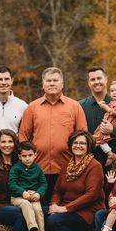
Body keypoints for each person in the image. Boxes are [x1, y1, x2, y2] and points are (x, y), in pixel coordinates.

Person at [19, 67, 87, 204]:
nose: (52, 83)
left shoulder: (74, 107)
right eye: (48, 81)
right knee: (40, 206)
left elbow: (83, 136)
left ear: (62, 84)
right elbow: (23, 136)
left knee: (62, 205)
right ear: (43, 84)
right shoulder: (32, 107)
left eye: (55, 80)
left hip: (67, 168)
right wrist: (27, 161)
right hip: (38, 168)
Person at [46, 130, 105, 231]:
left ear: (88, 146)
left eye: (82, 143)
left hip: (87, 212)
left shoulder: (95, 166)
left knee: (54, 221)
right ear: (71, 145)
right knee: (39, 212)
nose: (78, 146)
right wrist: (54, 205)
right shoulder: (67, 165)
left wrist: (64, 208)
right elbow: (57, 190)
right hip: (66, 208)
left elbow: (92, 195)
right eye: (75, 142)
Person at [79, 67, 116, 169]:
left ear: (106, 79)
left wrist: (113, 130)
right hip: (88, 164)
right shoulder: (80, 105)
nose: (96, 82)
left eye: (99, 78)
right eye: (92, 79)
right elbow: (76, 134)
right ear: (89, 83)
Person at [9, 141, 48, 231]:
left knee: (38, 210)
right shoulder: (16, 168)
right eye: (24, 156)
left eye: (30, 155)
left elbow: (43, 184)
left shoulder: (38, 169)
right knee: (26, 205)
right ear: (19, 156)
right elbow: (12, 183)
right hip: (18, 198)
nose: (27, 159)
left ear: (35, 155)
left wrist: (38, 194)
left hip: (34, 197)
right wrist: (23, 192)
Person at [93, 80, 116, 166]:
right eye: (112, 91)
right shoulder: (115, 102)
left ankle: (110, 154)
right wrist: (105, 104)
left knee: (99, 139)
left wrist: (104, 107)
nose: (114, 93)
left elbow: (114, 112)